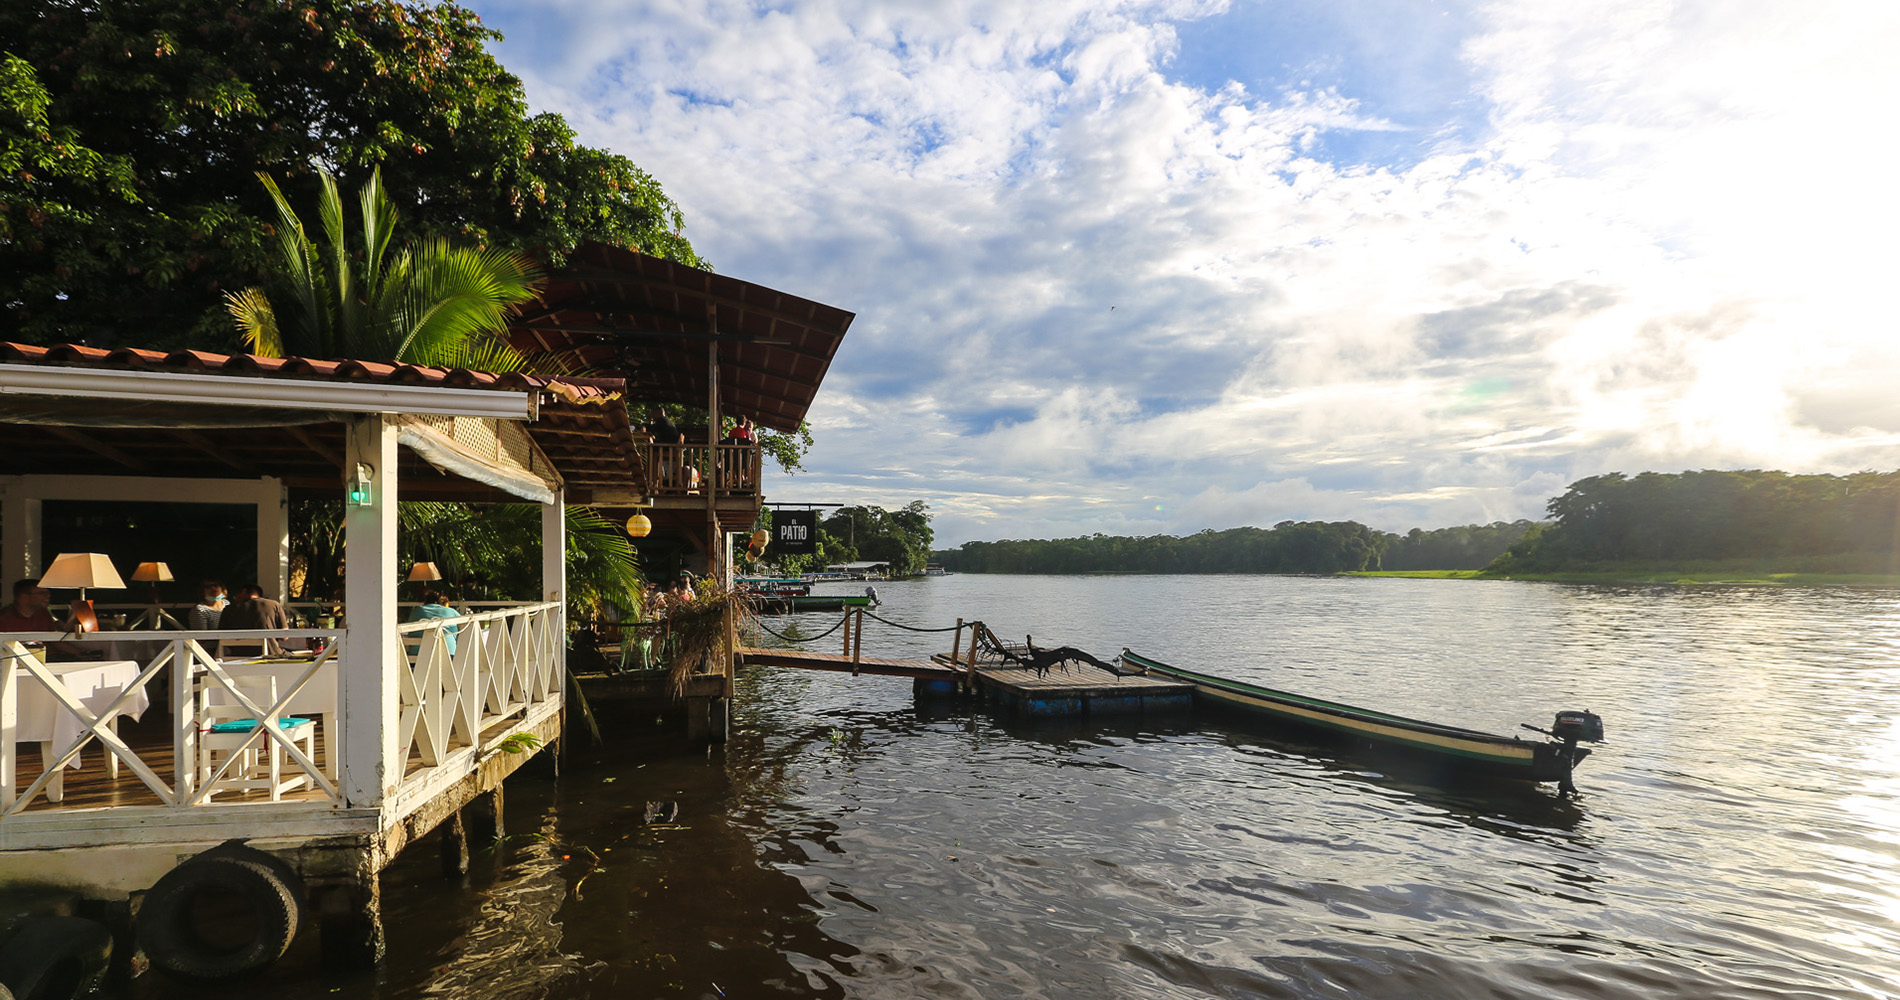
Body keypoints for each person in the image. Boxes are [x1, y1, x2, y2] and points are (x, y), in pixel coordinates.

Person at [222, 584, 290, 656]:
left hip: (239, 655)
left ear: (244, 591)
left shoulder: (229, 609)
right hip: (271, 654)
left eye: (236, 595)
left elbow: (222, 636)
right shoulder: (273, 605)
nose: (235, 598)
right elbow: (284, 636)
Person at [406, 589, 459, 657]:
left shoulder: (416, 611)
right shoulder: (451, 611)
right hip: (447, 653)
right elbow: (462, 629)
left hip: (418, 655)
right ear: (445, 602)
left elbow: (411, 632)